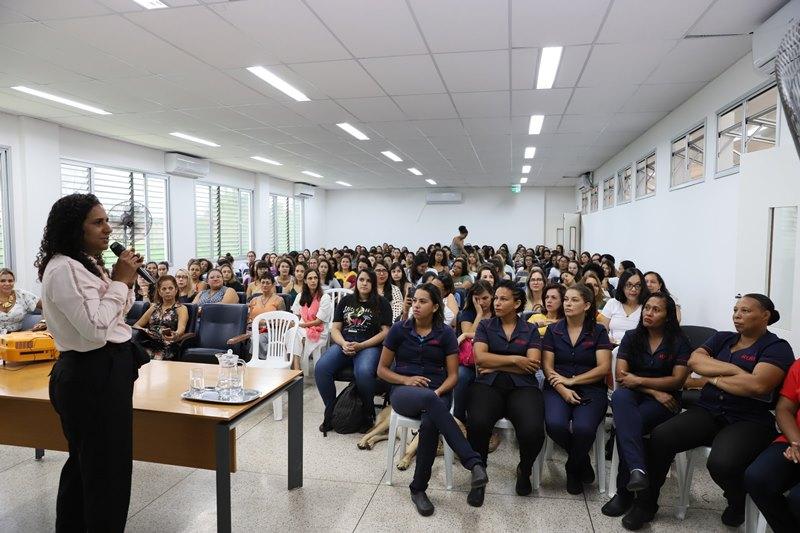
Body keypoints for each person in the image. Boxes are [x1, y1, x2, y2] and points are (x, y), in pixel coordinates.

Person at [629, 294, 794, 530]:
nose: (737, 315)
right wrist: (736, 373)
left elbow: (757, 386)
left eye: (745, 311)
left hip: (748, 419)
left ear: (765, 316)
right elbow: (694, 362)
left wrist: (712, 377)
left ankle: (736, 499)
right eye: (736, 310)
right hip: (708, 410)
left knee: (722, 464)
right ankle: (645, 505)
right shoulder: (723, 338)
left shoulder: (777, 348)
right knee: (660, 437)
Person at [37, 193, 145, 532]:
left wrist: (121, 281)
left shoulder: (85, 262)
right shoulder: (63, 269)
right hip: (90, 372)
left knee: (90, 465)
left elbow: (117, 313)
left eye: (105, 220)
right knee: (105, 472)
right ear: (75, 228)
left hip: (107, 368)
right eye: (97, 222)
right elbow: (96, 329)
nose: (107, 228)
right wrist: (121, 281)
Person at [377, 283, 488, 516]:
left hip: (438, 391)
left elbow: (453, 376)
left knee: (430, 422)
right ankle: (473, 463)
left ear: (435, 306)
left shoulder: (446, 333)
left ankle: (418, 489)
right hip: (404, 391)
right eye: (414, 300)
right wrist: (406, 381)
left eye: (422, 301)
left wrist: (435, 394)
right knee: (431, 406)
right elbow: (382, 370)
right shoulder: (400, 329)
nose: (416, 305)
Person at [601, 293, 690, 519]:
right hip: (638, 395)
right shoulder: (632, 337)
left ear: (668, 316)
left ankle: (627, 491)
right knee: (621, 399)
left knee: (627, 425)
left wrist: (639, 381)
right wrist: (652, 390)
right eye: (647, 308)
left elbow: (677, 381)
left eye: (656, 310)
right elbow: (622, 376)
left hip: (666, 401)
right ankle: (637, 475)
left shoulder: (679, 341)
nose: (648, 313)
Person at [466, 280, 544, 507]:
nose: (496, 302)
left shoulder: (530, 329)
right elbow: (480, 358)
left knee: (532, 429)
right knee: (478, 423)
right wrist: (514, 360)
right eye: (496, 298)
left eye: (503, 299)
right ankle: (479, 474)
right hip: (488, 384)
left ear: (517, 303)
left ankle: (525, 468)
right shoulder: (486, 326)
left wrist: (497, 363)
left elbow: (532, 365)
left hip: (523, 386)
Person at [542, 283, 612, 494]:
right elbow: (547, 367)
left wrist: (573, 381)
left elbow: (603, 368)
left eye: (574, 300)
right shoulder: (554, 330)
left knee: (584, 428)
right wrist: (562, 387)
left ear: (587, 305)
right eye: (566, 300)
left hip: (591, 389)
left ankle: (573, 468)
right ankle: (581, 461)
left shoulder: (598, 331)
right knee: (555, 425)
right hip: (556, 387)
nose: (568, 304)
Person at [315, 269, 392, 431]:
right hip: (345, 344)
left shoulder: (382, 303)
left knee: (363, 372)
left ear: (373, 283)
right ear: (356, 282)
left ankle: (367, 413)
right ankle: (331, 410)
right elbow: (335, 328)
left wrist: (362, 345)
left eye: (368, 281)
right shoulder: (346, 301)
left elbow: (386, 332)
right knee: (321, 368)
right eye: (361, 280)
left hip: (369, 346)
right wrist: (343, 343)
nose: (364, 283)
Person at [744, 357, 800, 533]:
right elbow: (784, 409)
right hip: (794, 440)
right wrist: (796, 442)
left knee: (798, 499)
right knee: (758, 478)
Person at [453, 280, 494, 423]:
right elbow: (469, 334)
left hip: (492, 359)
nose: (482, 302)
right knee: (462, 376)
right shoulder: (467, 313)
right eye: (477, 299)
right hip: (469, 362)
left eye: (485, 298)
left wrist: (467, 335)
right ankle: (458, 419)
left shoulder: (498, 313)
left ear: (492, 296)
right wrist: (479, 314)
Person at [286, 269, 333, 371]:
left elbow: (318, 321)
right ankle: (297, 369)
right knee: (291, 332)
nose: (313, 281)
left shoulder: (324, 297)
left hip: (318, 329)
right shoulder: (300, 296)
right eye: (310, 278)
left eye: (315, 278)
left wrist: (300, 325)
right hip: (302, 327)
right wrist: (293, 323)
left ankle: (296, 370)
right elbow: (296, 315)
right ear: (306, 281)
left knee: (295, 333)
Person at [133, 275, 189, 360]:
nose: (167, 291)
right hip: (149, 342)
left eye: (171, 288)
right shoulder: (154, 307)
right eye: (164, 289)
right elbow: (136, 325)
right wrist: (146, 331)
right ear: (159, 291)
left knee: (152, 356)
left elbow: (181, 328)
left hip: (167, 345)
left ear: (176, 290)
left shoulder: (181, 308)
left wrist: (175, 334)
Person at [598, 268, 647, 344]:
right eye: (629, 285)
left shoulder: (646, 307)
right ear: (622, 286)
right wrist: (607, 339)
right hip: (611, 347)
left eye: (638, 285)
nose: (633, 289)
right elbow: (601, 330)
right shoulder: (613, 303)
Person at [0, 268, 43, 332]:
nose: (7, 284)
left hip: (18, 337)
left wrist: (43, 322)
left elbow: (46, 306)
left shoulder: (22, 295)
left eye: (10, 281)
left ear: (14, 282)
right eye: (3, 281)